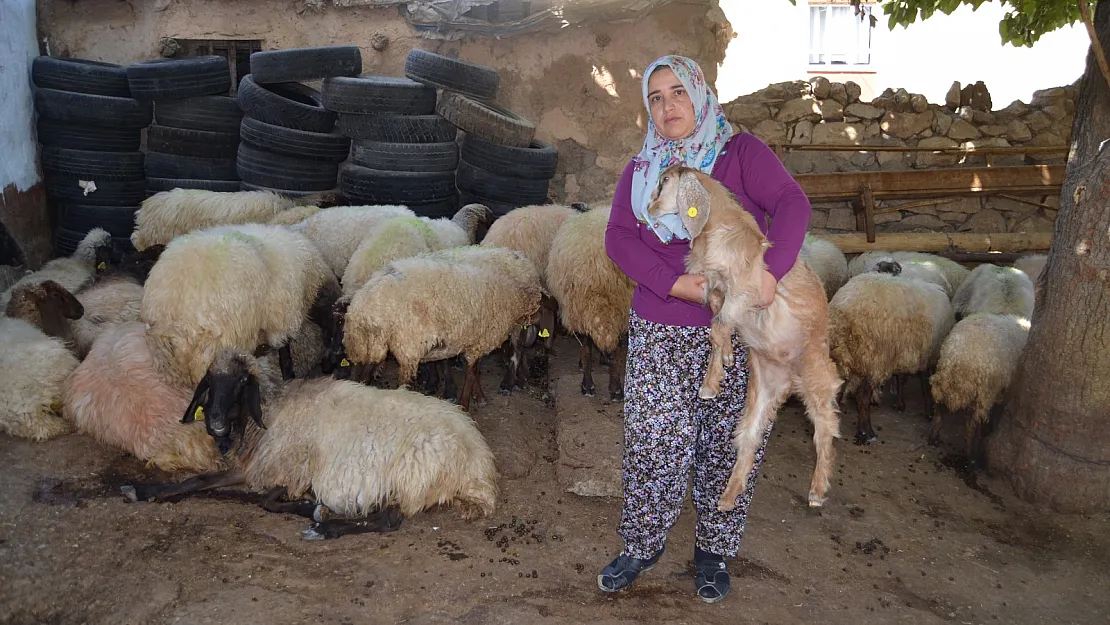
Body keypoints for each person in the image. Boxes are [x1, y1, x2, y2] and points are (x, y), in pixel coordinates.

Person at [597, 55, 812, 604]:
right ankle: (642, 544)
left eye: (677, 93)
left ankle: (713, 550)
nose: (668, 106)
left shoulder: (739, 154)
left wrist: (771, 273)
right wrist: (676, 285)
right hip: (662, 326)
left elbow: (792, 203)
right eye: (656, 97)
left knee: (729, 441)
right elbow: (619, 237)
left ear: (699, 94)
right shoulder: (642, 168)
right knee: (655, 439)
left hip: (738, 331)